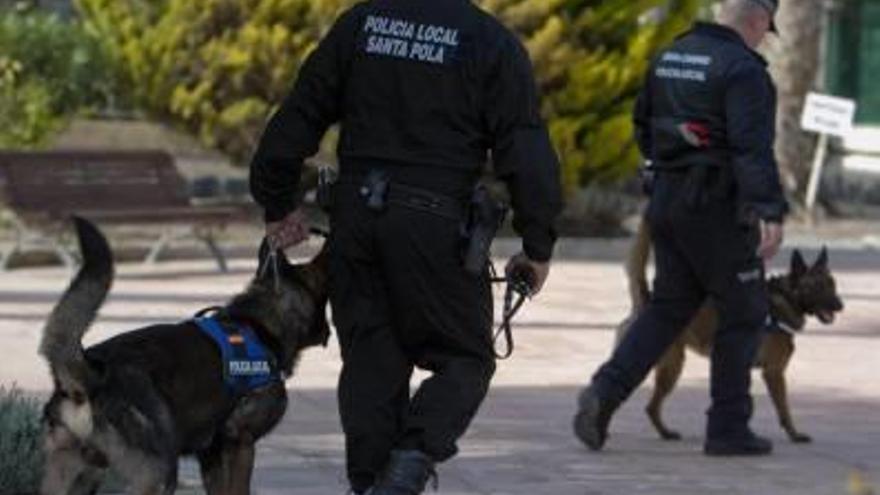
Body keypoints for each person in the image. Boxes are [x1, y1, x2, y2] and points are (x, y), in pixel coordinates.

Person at [248, 0, 562, 493]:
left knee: (373, 363)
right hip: (436, 228)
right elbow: (525, 152)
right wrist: (537, 244)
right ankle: (409, 464)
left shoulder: (361, 24)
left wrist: (277, 202)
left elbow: (299, 115)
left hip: (356, 222)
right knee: (467, 358)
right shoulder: (489, 41)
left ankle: (372, 482)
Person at [573, 0, 788, 457]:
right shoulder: (744, 71)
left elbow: (642, 126)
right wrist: (769, 209)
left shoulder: (670, 55)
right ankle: (728, 428)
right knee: (744, 310)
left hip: (667, 200)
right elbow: (752, 150)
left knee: (668, 307)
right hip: (717, 207)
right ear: (760, 20)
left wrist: (669, 169)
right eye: (766, 30)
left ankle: (603, 393)